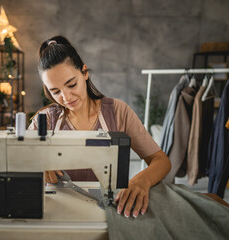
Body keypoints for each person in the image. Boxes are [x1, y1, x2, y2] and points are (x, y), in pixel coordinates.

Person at [28, 36, 171, 219]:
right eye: (55, 92)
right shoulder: (46, 120)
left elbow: (161, 161)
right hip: (60, 212)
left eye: (71, 84)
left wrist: (142, 181)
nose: (66, 97)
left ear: (85, 73)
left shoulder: (118, 111)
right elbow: (20, 164)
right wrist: (38, 165)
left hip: (111, 212)